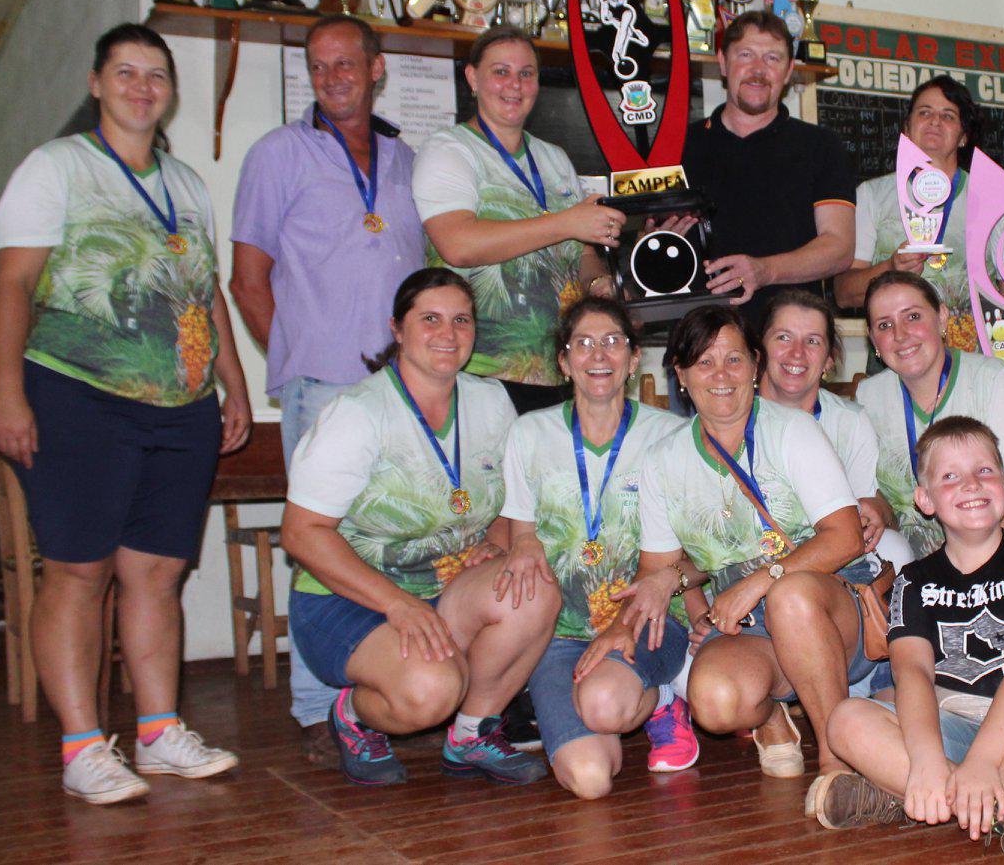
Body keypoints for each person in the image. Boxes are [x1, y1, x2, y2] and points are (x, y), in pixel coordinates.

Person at [0, 23, 250, 804]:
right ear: (97, 84)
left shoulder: (186, 184)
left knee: (157, 573)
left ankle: (158, 732)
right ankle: (81, 746)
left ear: (170, 91)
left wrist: (233, 384)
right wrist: (8, 390)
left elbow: (205, 292)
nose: (142, 86)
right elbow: (13, 286)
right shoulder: (57, 166)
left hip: (181, 409)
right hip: (78, 396)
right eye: (126, 72)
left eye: (156, 74)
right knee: (78, 570)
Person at [229, 14, 424, 762]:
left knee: (393, 539)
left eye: (346, 62)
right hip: (322, 387)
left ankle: (385, 686)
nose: (332, 76)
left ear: (376, 68)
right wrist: (296, 354)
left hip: (403, 393)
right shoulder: (277, 153)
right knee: (322, 543)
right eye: (318, 66)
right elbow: (248, 279)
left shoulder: (406, 159)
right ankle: (316, 708)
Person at [281, 269, 557, 787]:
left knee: (533, 584)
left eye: (461, 321)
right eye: (430, 319)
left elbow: (513, 499)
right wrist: (397, 605)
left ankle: (472, 733)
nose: (448, 334)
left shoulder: (491, 401)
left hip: (444, 588)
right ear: (397, 328)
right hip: (348, 600)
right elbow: (302, 533)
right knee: (431, 692)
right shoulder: (356, 414)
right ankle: (354, 716)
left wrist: (495, 542)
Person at [816, 416, 1004, 855]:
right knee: (845, 721)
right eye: (950, 476)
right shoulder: (913, 580)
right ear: (925, 500)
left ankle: (906, 795)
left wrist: (983, 762)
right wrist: (927, 759)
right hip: (950, 720)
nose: (971, 484)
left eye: (984, 470)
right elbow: (912, 673)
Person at [634, 305, 876, 777]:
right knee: (715, 701)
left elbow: (847, 537)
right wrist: (697, 612)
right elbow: (660, 569)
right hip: (747, 625)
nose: (721, 375)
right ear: (681, 375)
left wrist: (762, 581)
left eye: (734, 359)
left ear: (754, 365)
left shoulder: (793, 430)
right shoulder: (663, 460)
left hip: (829, 605)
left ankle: (836, 763)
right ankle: (770, 716)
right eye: (704, 362)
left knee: (790, 595)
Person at [495, 297, 698, 798]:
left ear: (634, 358)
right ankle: (633, 700)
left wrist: (652, 610)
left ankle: (662, 699)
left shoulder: (672, 435)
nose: (598, 354)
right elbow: (521, 533)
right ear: (564, 362)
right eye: (582, 343)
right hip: (559, 635)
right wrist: (519, 544)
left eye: (612, 341)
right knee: (589, 779)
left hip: (647, 623)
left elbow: (703, 551)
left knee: (605, 705)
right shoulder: (528, 433)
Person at [413, 25, 623, 413]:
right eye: (501, 72)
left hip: (561, 369)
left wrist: (598, 283)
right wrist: (566, 223)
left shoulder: (554, 158)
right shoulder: (448, 150)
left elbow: (581, 252)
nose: (515, 84)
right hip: (479, 373)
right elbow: (457, 245)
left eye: (526, 73)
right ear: (472, 78)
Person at [856, 272, 1004, 560]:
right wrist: (878, 509)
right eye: (885, 325)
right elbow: (888, 503)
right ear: (873, 339)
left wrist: (967, 567)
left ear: (942, 318)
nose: (900, 335)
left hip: (997, 562)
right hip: (910, 567)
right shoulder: (868, 397)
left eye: (913, 317)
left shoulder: (994, 380)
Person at [682, 10, 856, 322]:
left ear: (788, 71)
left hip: (789, 338)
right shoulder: (679, 145)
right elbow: (648, 236)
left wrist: (765, 270)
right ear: (723, 62)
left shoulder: (821, 146)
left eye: (772, 58)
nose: (758, 69)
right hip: (698, 335)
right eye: (745, 54)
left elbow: (840, 248)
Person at [754, 288, 909, 569]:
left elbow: (865, 507)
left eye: (812, 341)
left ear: (828, 359)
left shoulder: (849, 421)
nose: (797, 353)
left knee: (893, 547)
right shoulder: (734, 416)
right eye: (783, 337)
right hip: (751, 554)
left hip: (827, 554)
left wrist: (876, 510)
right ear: (759, 350)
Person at [837, 75, 983, 351]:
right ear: (906, 129)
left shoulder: (988, 199)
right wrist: (890, 268)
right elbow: (844, 293)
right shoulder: (872, 195)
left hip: (969, 360)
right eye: (924, 112)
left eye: (948, 115)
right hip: (895, 357)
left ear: (964, 136)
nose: (935, 121)